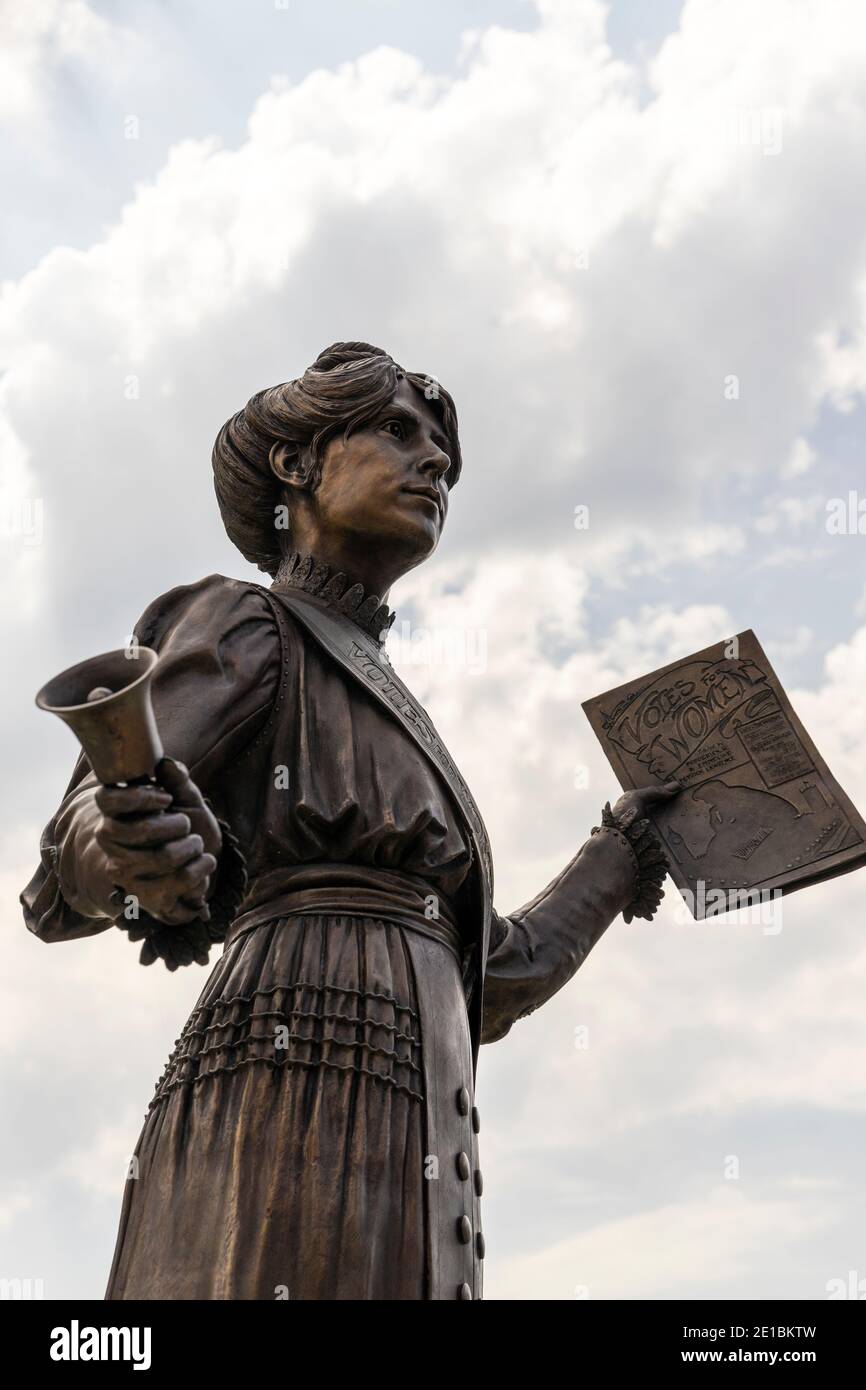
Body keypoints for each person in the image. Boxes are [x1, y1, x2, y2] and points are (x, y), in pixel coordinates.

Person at [22, 341, 677, 1300]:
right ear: (297, 465)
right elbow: (67, 869)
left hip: (406, 1133)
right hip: (285, 1109)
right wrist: (120, 843)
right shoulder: (247, 622)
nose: (437, 462)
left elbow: (488, 978)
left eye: (442, 448)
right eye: (399, 432)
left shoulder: (394, 707)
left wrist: (622, 851)